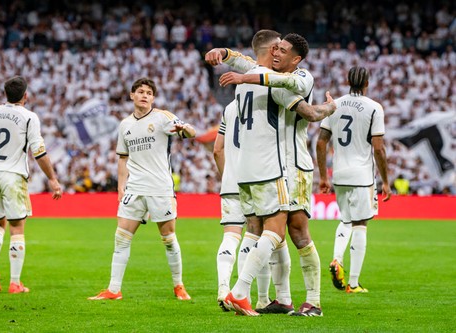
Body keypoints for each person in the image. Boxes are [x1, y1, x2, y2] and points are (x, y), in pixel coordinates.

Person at [209, 30, 336, 316]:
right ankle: (281, 298)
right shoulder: (265, 76)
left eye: (283, 50)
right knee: (269, 231)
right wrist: (224, 53)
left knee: (297, 231)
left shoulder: (302, 78)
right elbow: (246, 62)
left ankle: (313, 301)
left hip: (296, 166)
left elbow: (309, 111)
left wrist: (330, 106)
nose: (276, 53)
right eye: (274, 48)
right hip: (274, 166)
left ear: (296, 58)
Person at [89, 78, 195, 301]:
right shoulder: (125, 125)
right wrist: (120, 188)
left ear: (153, 98)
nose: (144, 95)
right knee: (121, 239)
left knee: (168, 238)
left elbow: (190, 133)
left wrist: (185, 129)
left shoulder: (162, 117)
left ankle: (179, 286)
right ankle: (114, 290)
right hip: (134, 189)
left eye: (148, 92)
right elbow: (122, 159)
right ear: (132, 95)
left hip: (160, 188)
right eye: (140, 92)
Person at [0, 75, 62, 294]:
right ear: (25, 95)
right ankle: (15, 283)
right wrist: (52, 178)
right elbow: (39, 152)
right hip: (13, 176)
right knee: (16, 228)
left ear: (6, 94)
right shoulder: (29, 117)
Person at [316, 66, 392, 293]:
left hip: (339, 174)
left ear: (348, 80)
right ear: (367, 83)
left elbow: (321, 142)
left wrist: (323, 176)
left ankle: (337, 259)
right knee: (360, 224)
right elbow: (378, 149)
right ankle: (354, 283)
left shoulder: (335, 104)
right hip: (361, 175)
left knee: (346, 220)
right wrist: (386, 181)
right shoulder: (374, 108)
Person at [213, 100, 267, 311]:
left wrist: (227, 176)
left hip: (230, 181)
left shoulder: (229, 107)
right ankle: (240, 293)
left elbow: (217, 150)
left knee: (230, 236)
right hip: (254, 180)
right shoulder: (262, 103)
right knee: (256, 235)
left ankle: (222, 289)